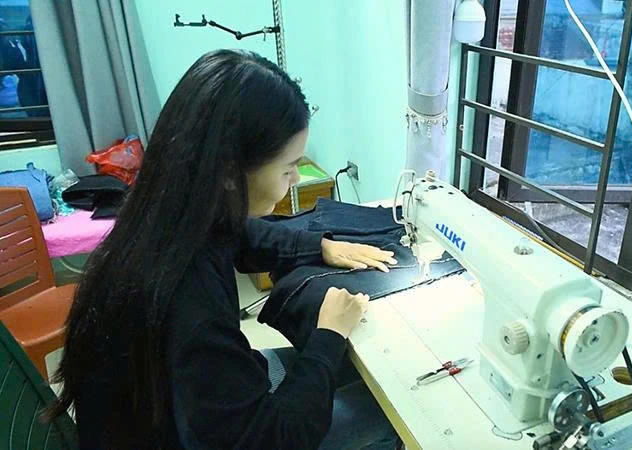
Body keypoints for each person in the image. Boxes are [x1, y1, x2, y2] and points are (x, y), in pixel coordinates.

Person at [46, 49, 399, 450]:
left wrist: (318, 245)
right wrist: (329, 333)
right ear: (230, 172)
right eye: (288, 168)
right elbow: (273, 439)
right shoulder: (189, 302)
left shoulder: (166, 217)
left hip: (180, 413)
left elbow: (239, 235)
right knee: (388, 413)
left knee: (344, 371)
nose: (296, 179)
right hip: (203, 436)